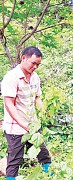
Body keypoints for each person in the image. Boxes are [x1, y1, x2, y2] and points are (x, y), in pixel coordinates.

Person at [1, 46, 52, 180]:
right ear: (24, 58)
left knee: (43, 153)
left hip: (32, 125)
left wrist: (43, 112)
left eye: (38, 64)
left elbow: (37, 98)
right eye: (33, 63)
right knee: (15, 159)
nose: (35, 67)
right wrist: (23, 124)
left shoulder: (35, 77)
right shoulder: (11, 78)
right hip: (15, 128)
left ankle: (51, 175)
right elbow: (9, 104)